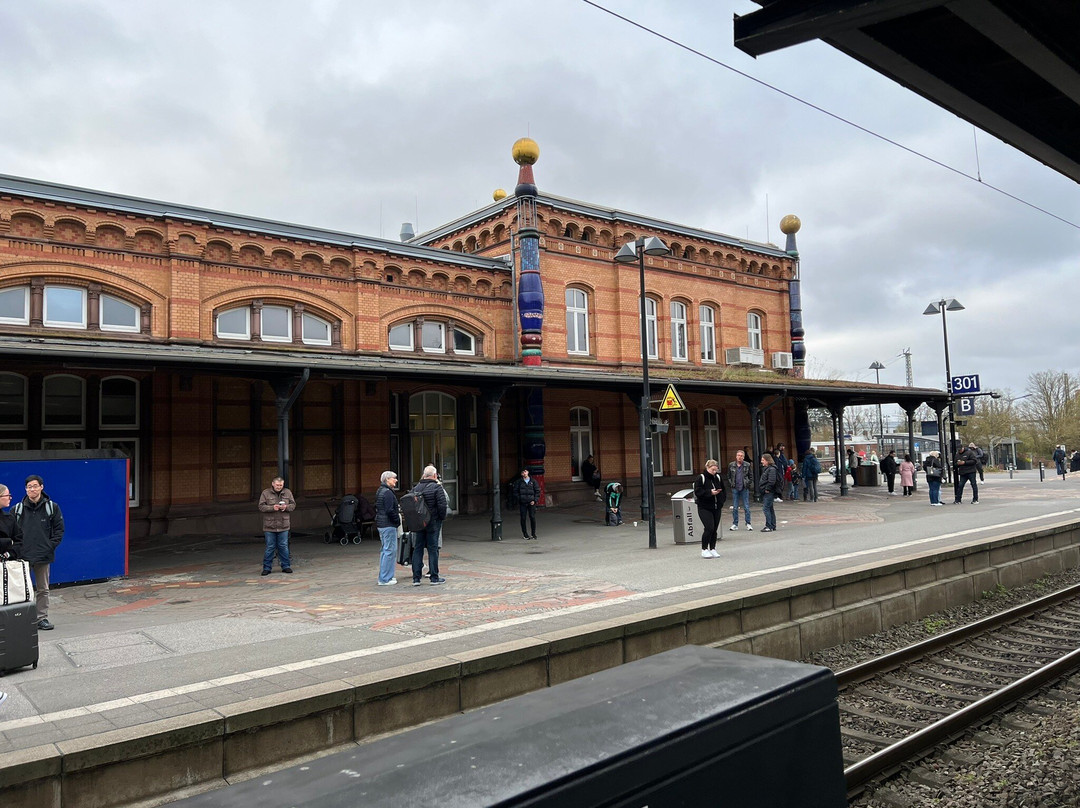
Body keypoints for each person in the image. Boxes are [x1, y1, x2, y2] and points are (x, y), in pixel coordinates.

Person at [14, 475, 65, 630]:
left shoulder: (52, 507)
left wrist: (50, 546)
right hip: (23, 557)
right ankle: (23, 619)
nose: (32, 489)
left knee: (43, 589)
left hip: (43, 556)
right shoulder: (17, 509)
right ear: (25, 489)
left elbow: (59, 529)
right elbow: (11, 532)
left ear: (42, 487)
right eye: (29, 487)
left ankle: (41, 618)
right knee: (22, 589)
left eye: (35, 486)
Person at [410, 465, 448, 585]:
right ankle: (434, 577)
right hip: (433, 522)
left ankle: (416, 578)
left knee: (418, 548)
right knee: (433, 549)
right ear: (435, 475)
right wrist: (440, 519)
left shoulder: (416, 488)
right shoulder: (437, 488)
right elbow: (442, 505)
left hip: (419, 523)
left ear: (424, 475)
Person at [257, 476, 295, 576]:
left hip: (284, 525)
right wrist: (272, 508)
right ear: (273, 484)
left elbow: (293, 505)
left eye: (281, 485)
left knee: (283, 546)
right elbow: (261, 506)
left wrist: (285, 507)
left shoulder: (287, 492)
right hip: (270, 525)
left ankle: (286, 566)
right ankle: (267, 568)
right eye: (277, 485)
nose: (279, 487)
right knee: (270, 547)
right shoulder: (265, 493)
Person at [693, 460, 726, 559]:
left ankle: (712, 548)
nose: (714, 472)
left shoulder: (718, 477)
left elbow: (723, 490)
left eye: (716, 470)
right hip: (704, 507)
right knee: (709, 527)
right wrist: (710, 493)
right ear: (707, 468)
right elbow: (698, 491)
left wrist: (721, 500)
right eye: (713, 470)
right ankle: (704, 549)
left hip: (716, 506)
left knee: (715, 529)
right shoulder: (701, 478)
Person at [374, 471, 400, 586]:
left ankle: (384, 576)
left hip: (381, 524)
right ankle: (385, 578)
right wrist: (397, 520)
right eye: (394, 478)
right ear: (387, 479)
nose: (396, 480)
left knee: (385, 550)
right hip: (388, 524)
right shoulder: (388, 493)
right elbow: (390, 510)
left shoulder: (380, 490)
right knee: (390, 551)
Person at [512, 467, 541, 540]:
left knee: (532, 517)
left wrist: (534, 500)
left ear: (528, 472)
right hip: (523, 503)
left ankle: (533, 533)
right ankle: (525, 534)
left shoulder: (533, 481)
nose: (524, 473)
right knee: (523, 518)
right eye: (522, 472)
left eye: (525, 471)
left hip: (531, 503)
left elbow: (537, 491)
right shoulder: (519, 482)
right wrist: (520, 499)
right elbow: (515, 492)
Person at [727, 449, 753, 531]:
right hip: (735, 488)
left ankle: (748, 523)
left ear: (744, 457)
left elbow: (751, 476)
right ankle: (735, 524)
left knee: (746, 506)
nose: (740, 457)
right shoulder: (731, 465)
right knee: (735, 507)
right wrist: (731, 483)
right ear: (736, 456)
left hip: (744, 487)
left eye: (741, 456)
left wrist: (748, 483)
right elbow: (728, 476)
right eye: (738, 455)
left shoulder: (747, 465)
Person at [759, 453, 781, 532]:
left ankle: (769, 525)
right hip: (768, 491)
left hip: (769, 492)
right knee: (770, 508)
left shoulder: (771, 469)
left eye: (763, 460)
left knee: (766, 508)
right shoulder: (768, 468)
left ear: (767, 461)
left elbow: (772, 481)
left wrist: (767, 489)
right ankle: (772, 525)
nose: (762, 462)